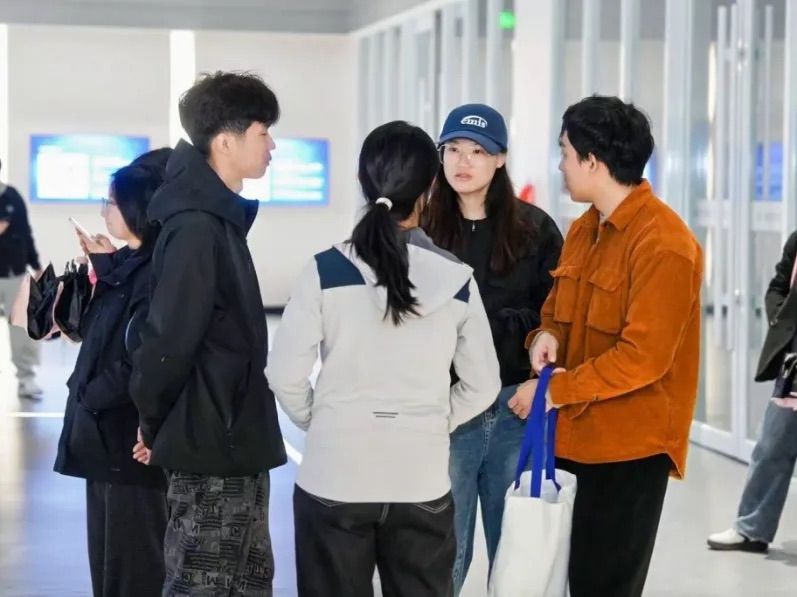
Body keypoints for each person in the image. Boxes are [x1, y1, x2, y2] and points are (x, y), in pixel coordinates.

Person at [266, 120, 501, 597]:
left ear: (362, 182)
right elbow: (484, 384)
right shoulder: (457, 280)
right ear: (429, 189)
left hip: (335, 473)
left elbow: (284, 372)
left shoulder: (325, 269)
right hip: (419, 475)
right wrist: (434, 420)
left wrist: (323, 419)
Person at [513, 95, 703, 597]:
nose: (560, 165)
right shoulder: (585, 228)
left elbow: (644, 358)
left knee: (606, 586)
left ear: (593, 161)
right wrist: (546, 336)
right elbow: (556, 311)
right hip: (572, 439)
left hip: (627, 451)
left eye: (565, 153)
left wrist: (554, 392)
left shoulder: (664, 243)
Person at [128, 71, 287, 596]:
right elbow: (168, 342)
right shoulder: (197, 226)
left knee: (246, 583)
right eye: (263, 132)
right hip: (211, 446)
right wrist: (155, 422)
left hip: (234, 443)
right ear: (225, 142)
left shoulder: (218, 220)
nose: (271, 145)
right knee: (202, 585)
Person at [421, 103, 563, 593]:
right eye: (454, 149)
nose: (463, 162)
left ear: (500, 158)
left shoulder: (535, 230)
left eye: (478, 152)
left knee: (515, 553)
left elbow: (557, 316)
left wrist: (537, 383)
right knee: (442, 553)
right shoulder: (422, 232)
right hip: (445, 411)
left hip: (514, 409)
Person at [53, 148, 172, 597]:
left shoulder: (158, 270)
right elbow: (100, 328)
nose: (104, 211)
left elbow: (143, 356)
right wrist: (103, 264)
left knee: (132, 569)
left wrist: (91, 395)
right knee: (108, 566)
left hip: (126, 439)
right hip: (104, 439)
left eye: (112, 202)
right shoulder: (133, 263)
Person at [707, 230, 797, 553]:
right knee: (771, 447)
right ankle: (752, 529)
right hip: (794, 368)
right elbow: (778, 286)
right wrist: (783, 320)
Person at [0, 158, 43, 398]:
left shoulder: (12, 197)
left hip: (13, 273)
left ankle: (26, 377)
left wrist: (36, 265)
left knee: (20, 327)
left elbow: (25, 232)